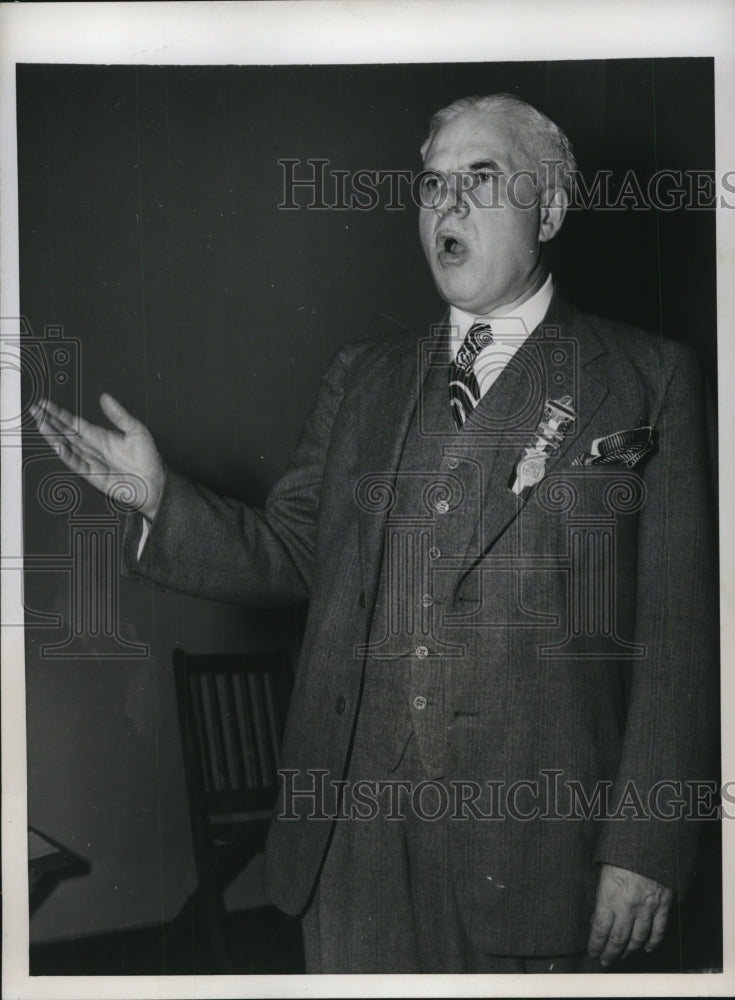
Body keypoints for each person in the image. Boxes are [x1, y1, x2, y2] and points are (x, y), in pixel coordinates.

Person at [33, 93, 718, 974]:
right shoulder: (364, 376)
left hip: (538, 852)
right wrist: (162, 501)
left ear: (549, 207)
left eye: (481, 178)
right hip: (348, 846)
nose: (448, 205)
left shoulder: (646, 378)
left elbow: (679, 640)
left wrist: (645, 847)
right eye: (431, 184)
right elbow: (291, 552)